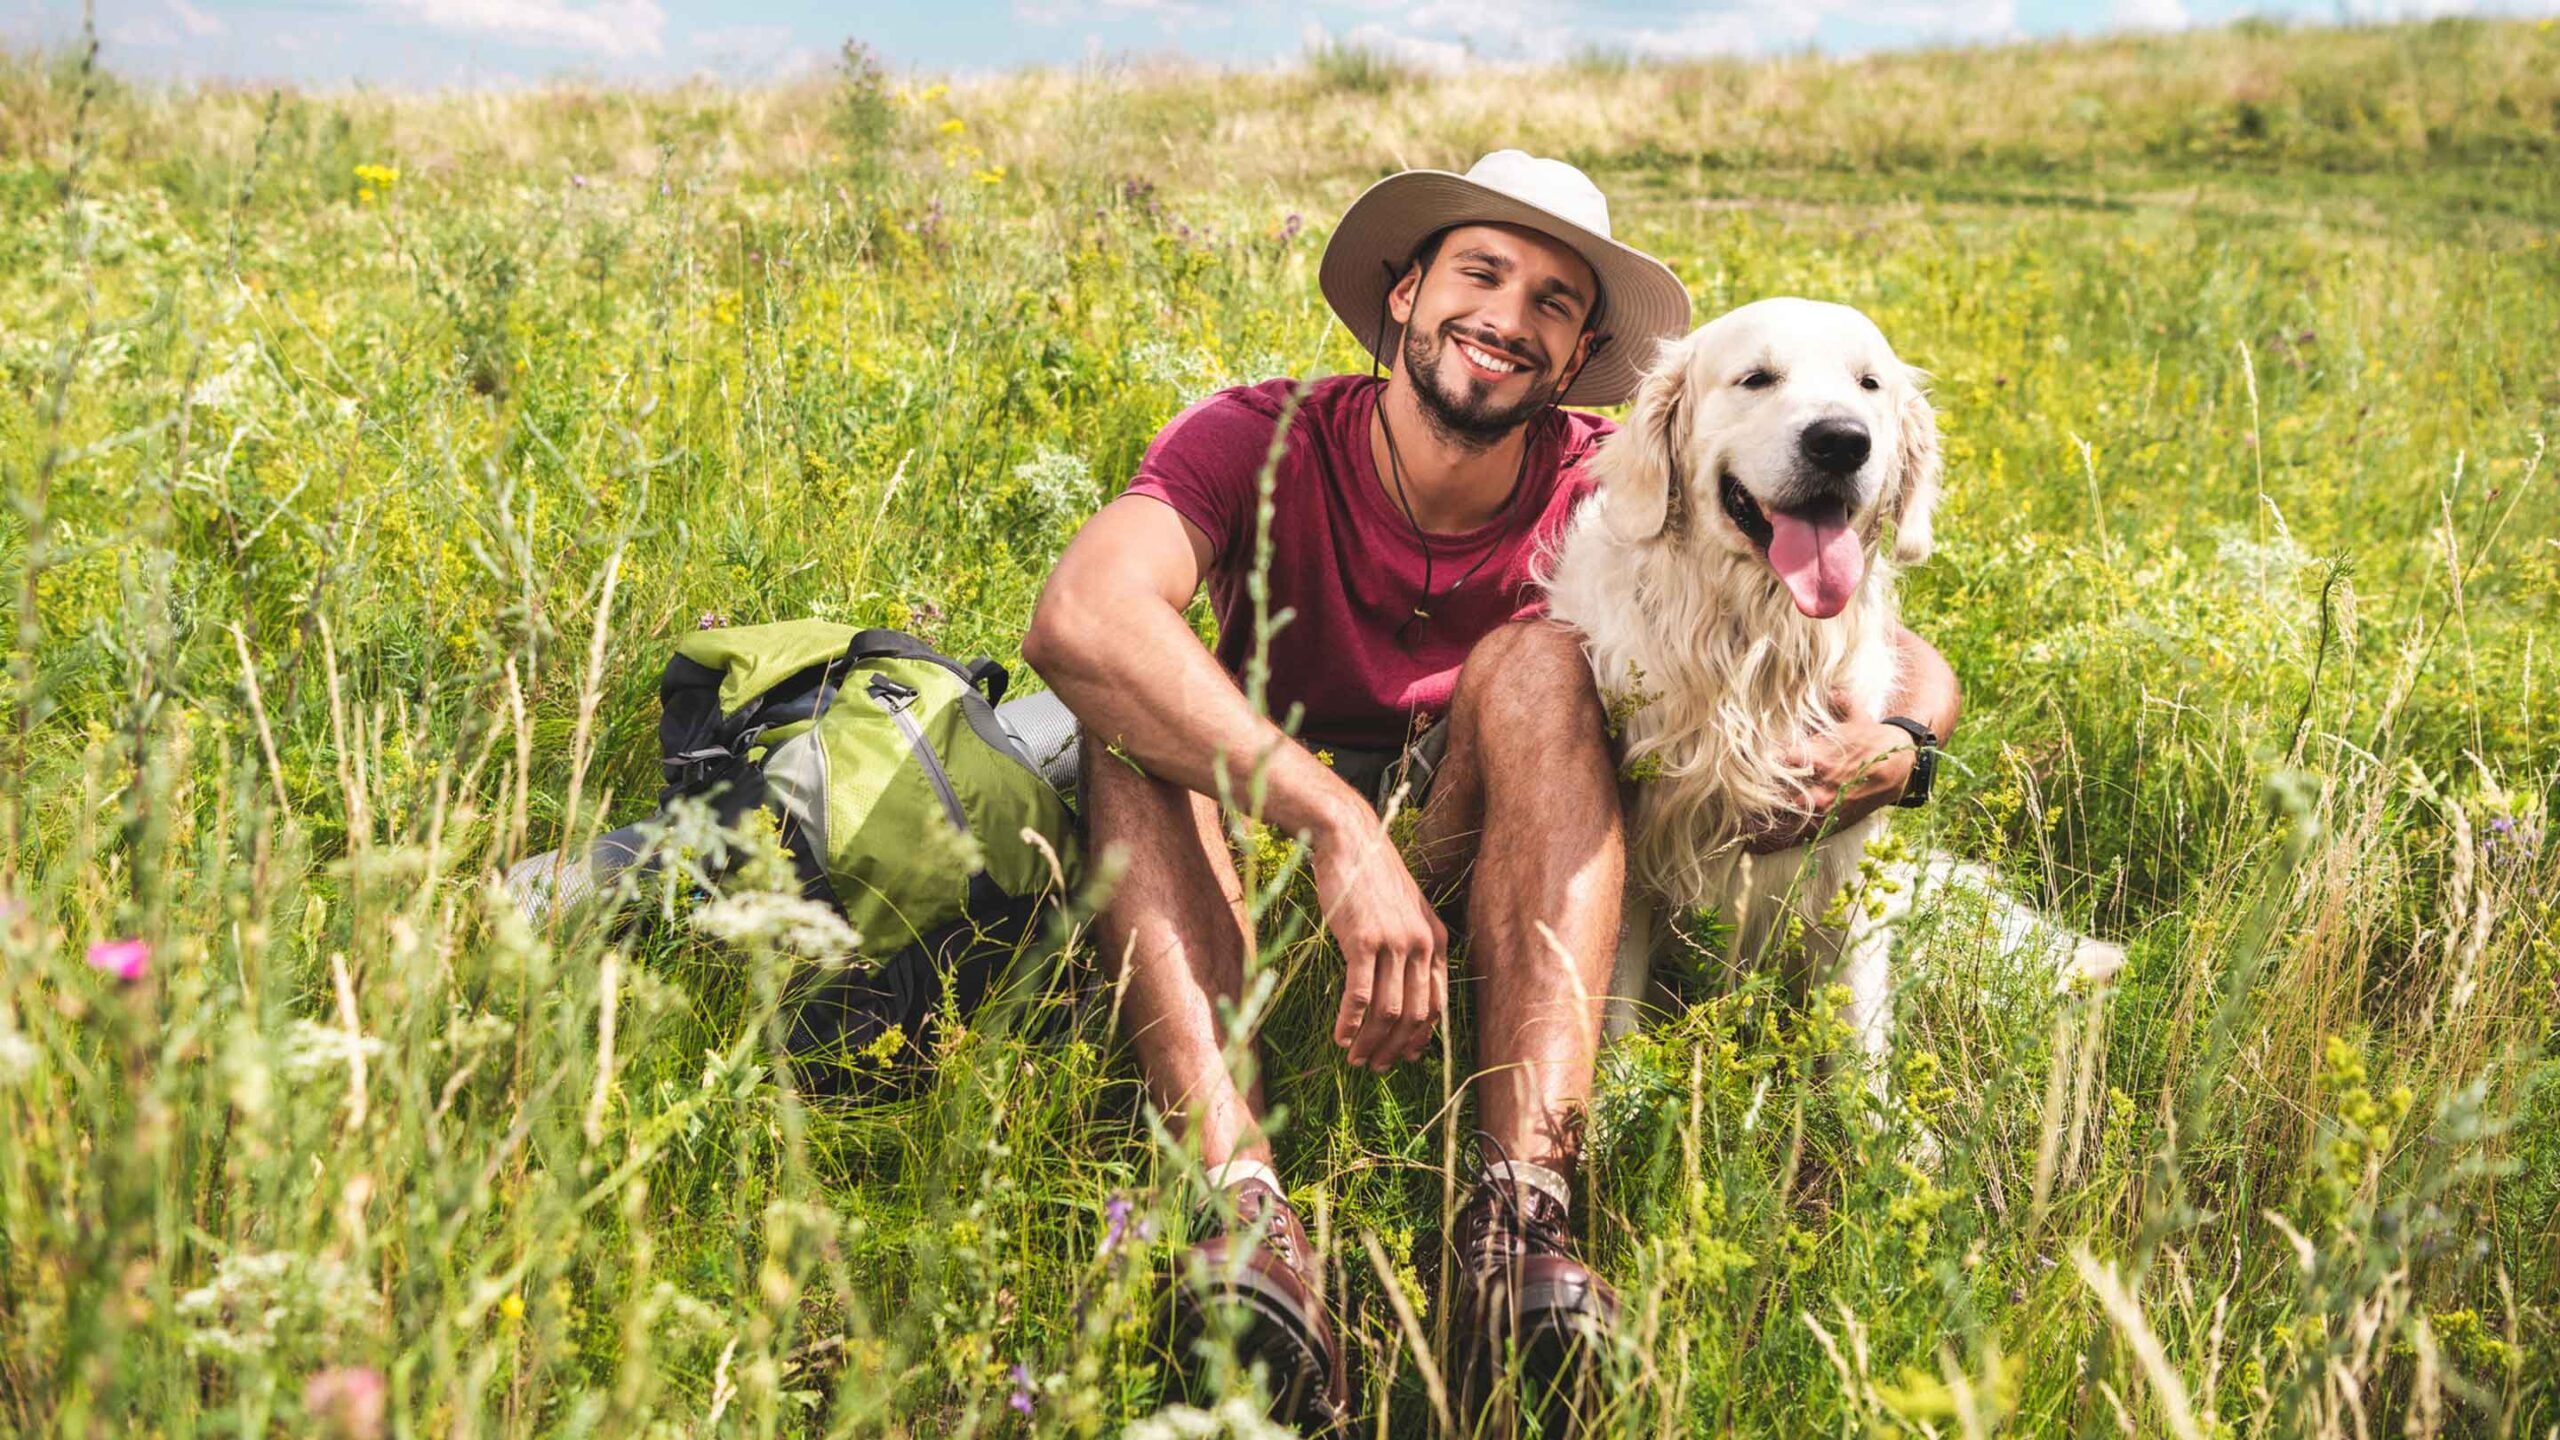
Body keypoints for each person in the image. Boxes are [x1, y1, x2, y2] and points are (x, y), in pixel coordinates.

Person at [1021, 150, 1962, 1430]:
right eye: (1479, 273)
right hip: (1248, 854)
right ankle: (1242, 1210)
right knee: (1122, 721)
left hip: (1467, 848)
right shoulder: (1251, 435)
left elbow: (1889, 643)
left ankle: (1518, 1230)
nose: (1509, 318)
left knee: (1532, 661)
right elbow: (1082, 617)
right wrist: (1333, 822)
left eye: (1554, 301)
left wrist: (1898, 739)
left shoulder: (1616, 474)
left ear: (1577, 358)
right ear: (1401, 295)